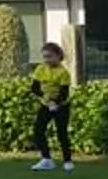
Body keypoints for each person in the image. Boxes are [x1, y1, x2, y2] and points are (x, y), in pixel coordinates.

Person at [29, 42, 76, 171]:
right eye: (44, 57)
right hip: (46, 104)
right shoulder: (40, 69)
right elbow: (34, 88)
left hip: (61, 106)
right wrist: (47, 101)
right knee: (38, 130)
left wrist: (55, 103)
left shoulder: (63, 72)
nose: (47, 59)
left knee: (61, 133)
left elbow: (64, 93)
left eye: (49, 56)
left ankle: (67, 161)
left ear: (58, 55)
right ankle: (47, 159)